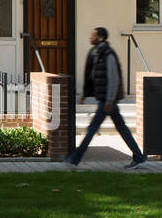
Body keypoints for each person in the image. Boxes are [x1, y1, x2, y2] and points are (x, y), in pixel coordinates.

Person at [62, 27, 147, 169]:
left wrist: (109, 101)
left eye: (93, 35)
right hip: (105, 99)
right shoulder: (96, 53)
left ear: (100, 38)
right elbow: (91, 76)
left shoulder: (109, 55)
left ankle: (74, 159)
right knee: (122, 128)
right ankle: (138, 156)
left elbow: (114, 79)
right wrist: (85, 93)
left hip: (108, 101)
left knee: (92, 129)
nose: (90, 37)